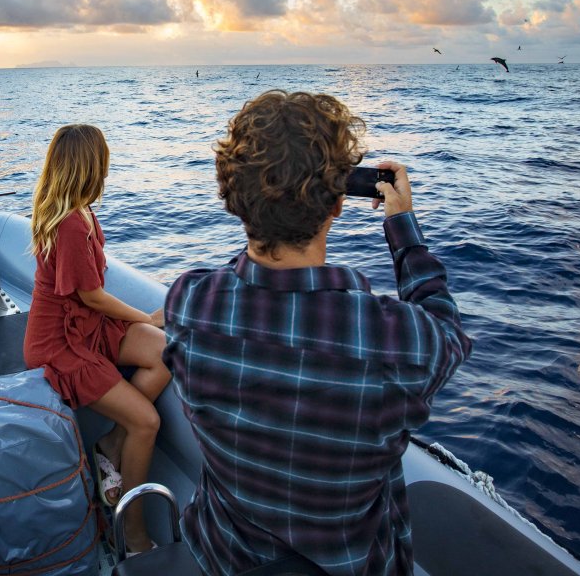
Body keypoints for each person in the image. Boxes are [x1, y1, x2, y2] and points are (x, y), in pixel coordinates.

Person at [164, 91, 472, 576]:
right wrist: (403, 228)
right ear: (338, 205)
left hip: (225, 558)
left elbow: (237, 281)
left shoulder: (189, 304)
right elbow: (447, 335)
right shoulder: (394, 342)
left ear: (232, 198)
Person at [23, 124, 170, 554]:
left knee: (167, 352)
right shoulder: (69, 223)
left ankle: (109, 442)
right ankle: (133, 533)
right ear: (92, 165)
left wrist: (149, 324)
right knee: (146, 421)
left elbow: (92, 299)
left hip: (86, 325)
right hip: (61, 344)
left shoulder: (81, 210)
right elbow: (91, 295)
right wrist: (145, 317)